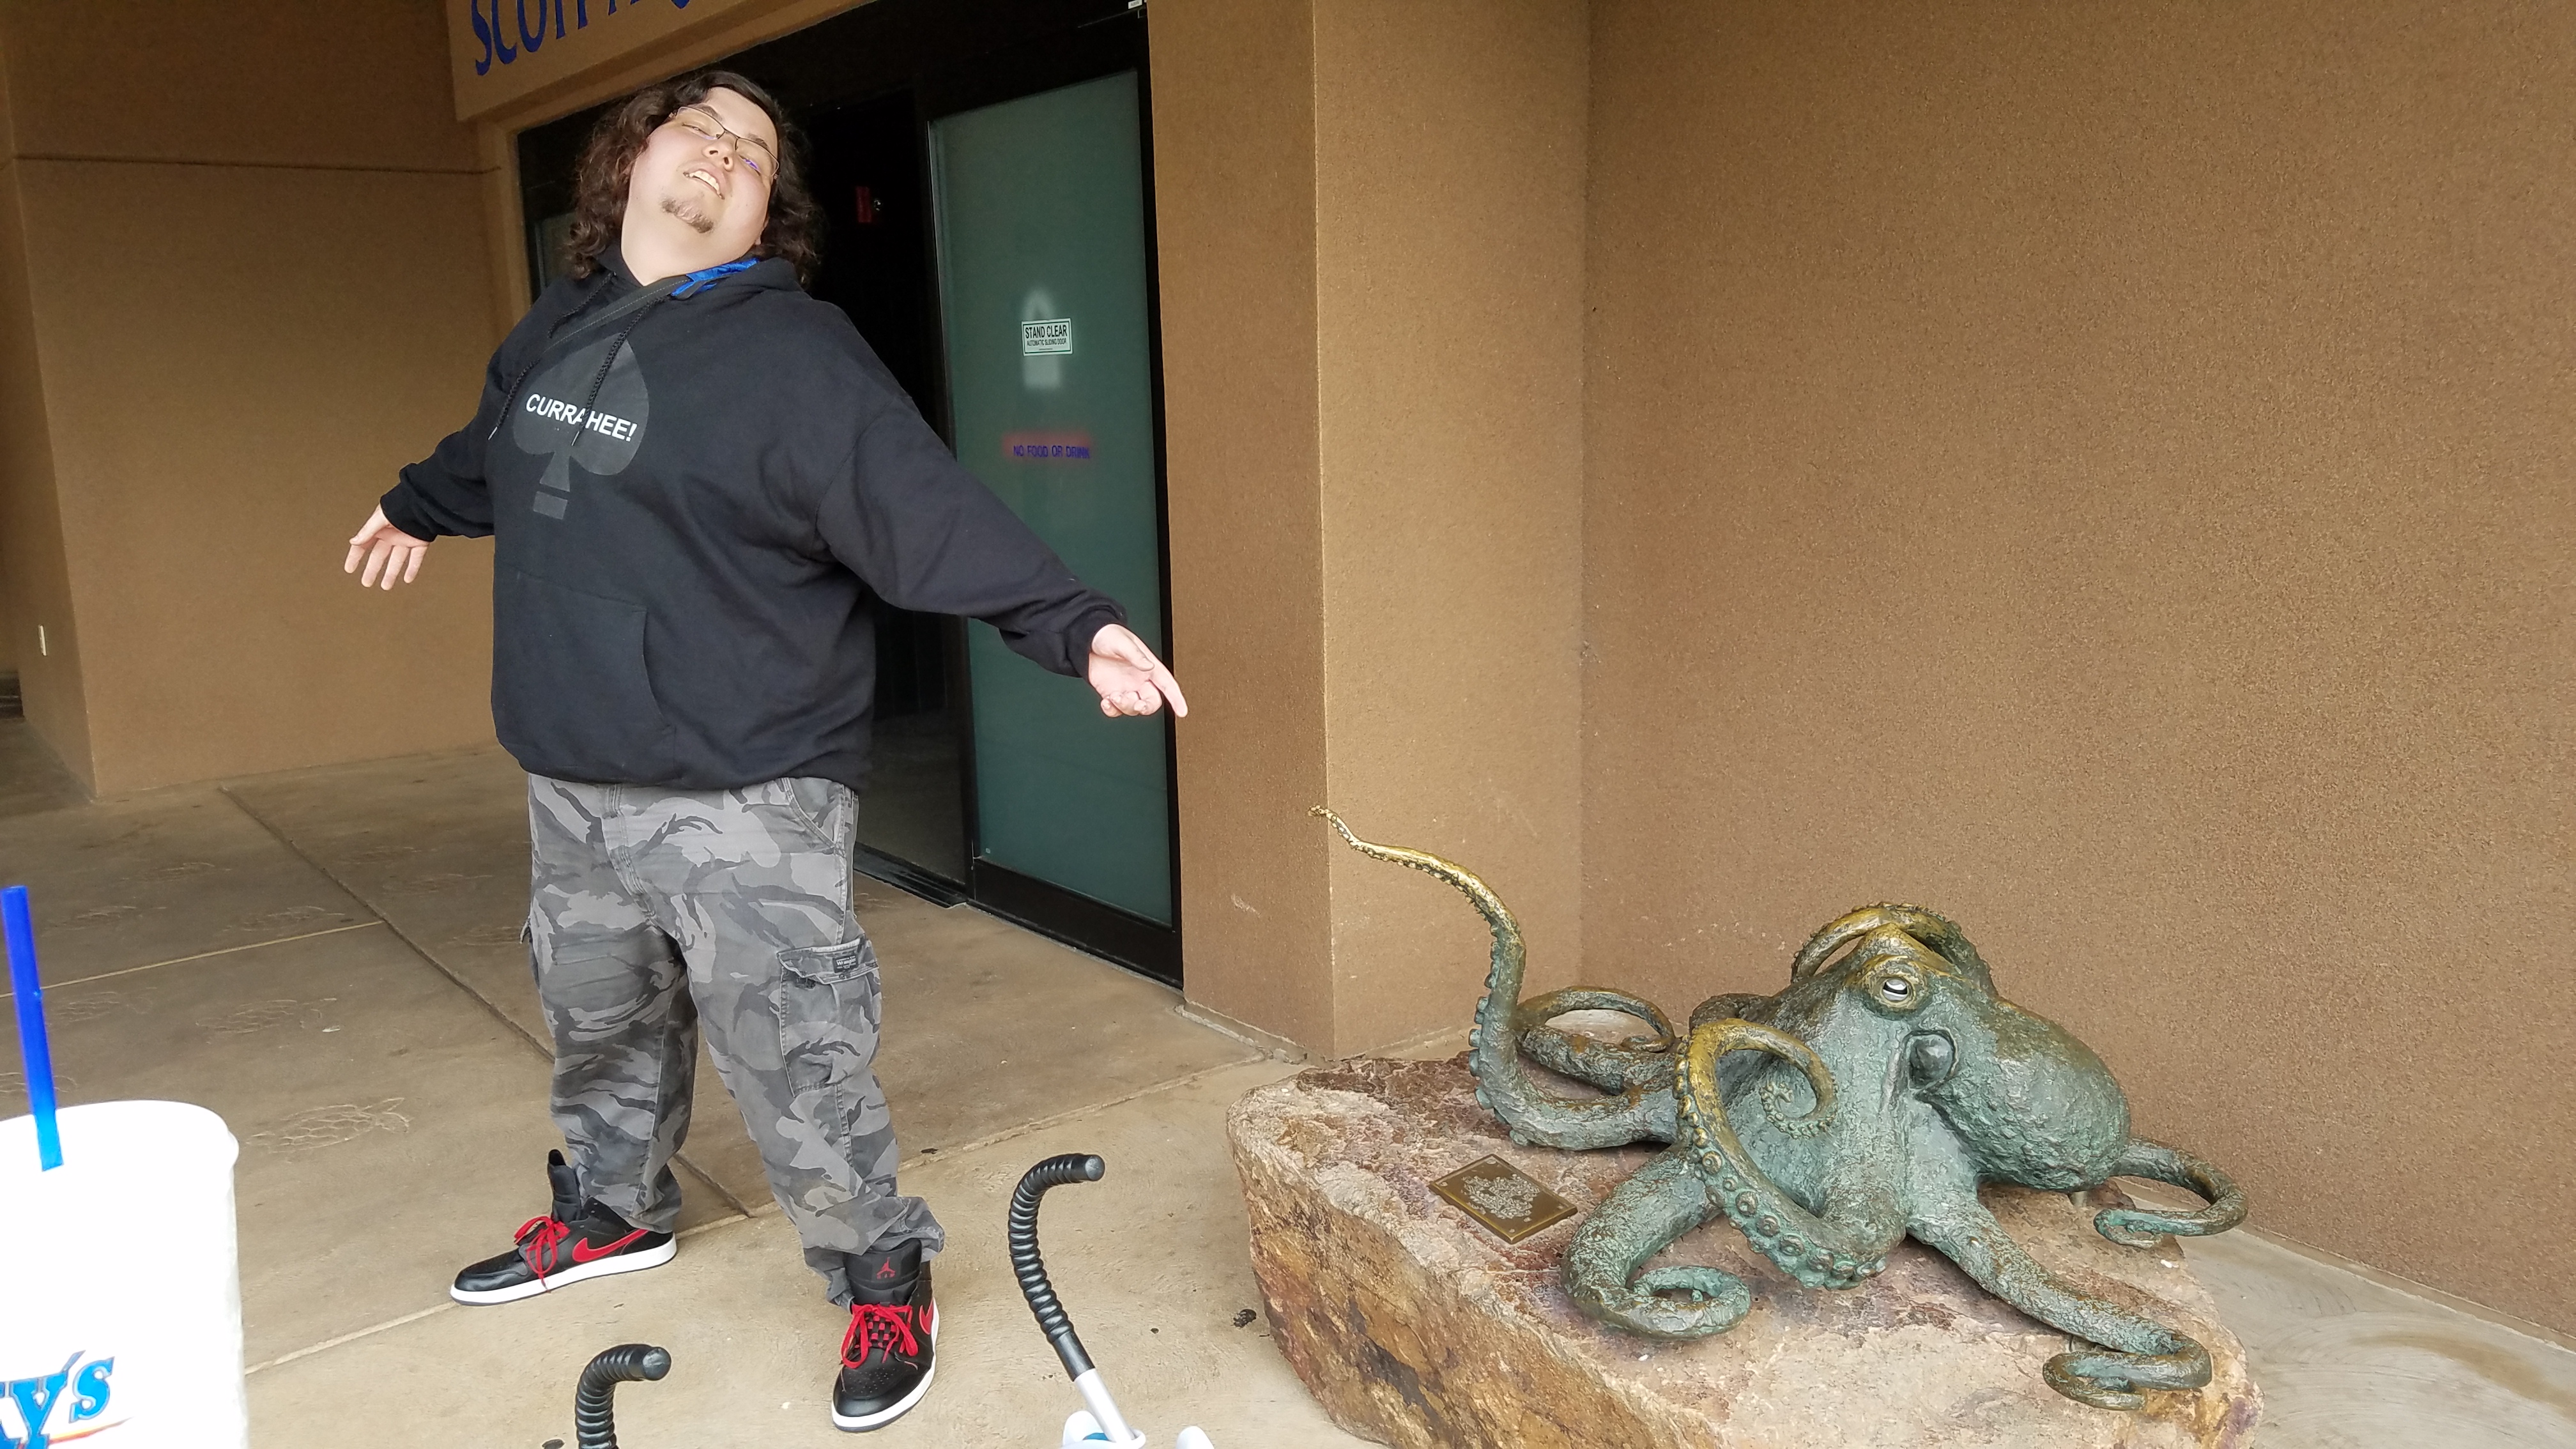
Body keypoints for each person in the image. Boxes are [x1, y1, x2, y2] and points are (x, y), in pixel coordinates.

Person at [342, 69, 1184, 1434]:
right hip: (574, 766)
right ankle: (615, 1210)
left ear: (763, 217)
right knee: (598, 1014)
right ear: (631, 159)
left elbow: (919, 504)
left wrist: (1069, 623)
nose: (722, 156)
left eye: (752, 154)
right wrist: (417, 506)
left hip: (746, 776)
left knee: (793, 1048)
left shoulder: (797, 357)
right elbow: (498, 443)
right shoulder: (564, 319)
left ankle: (880, 1270)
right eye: (699, 128)